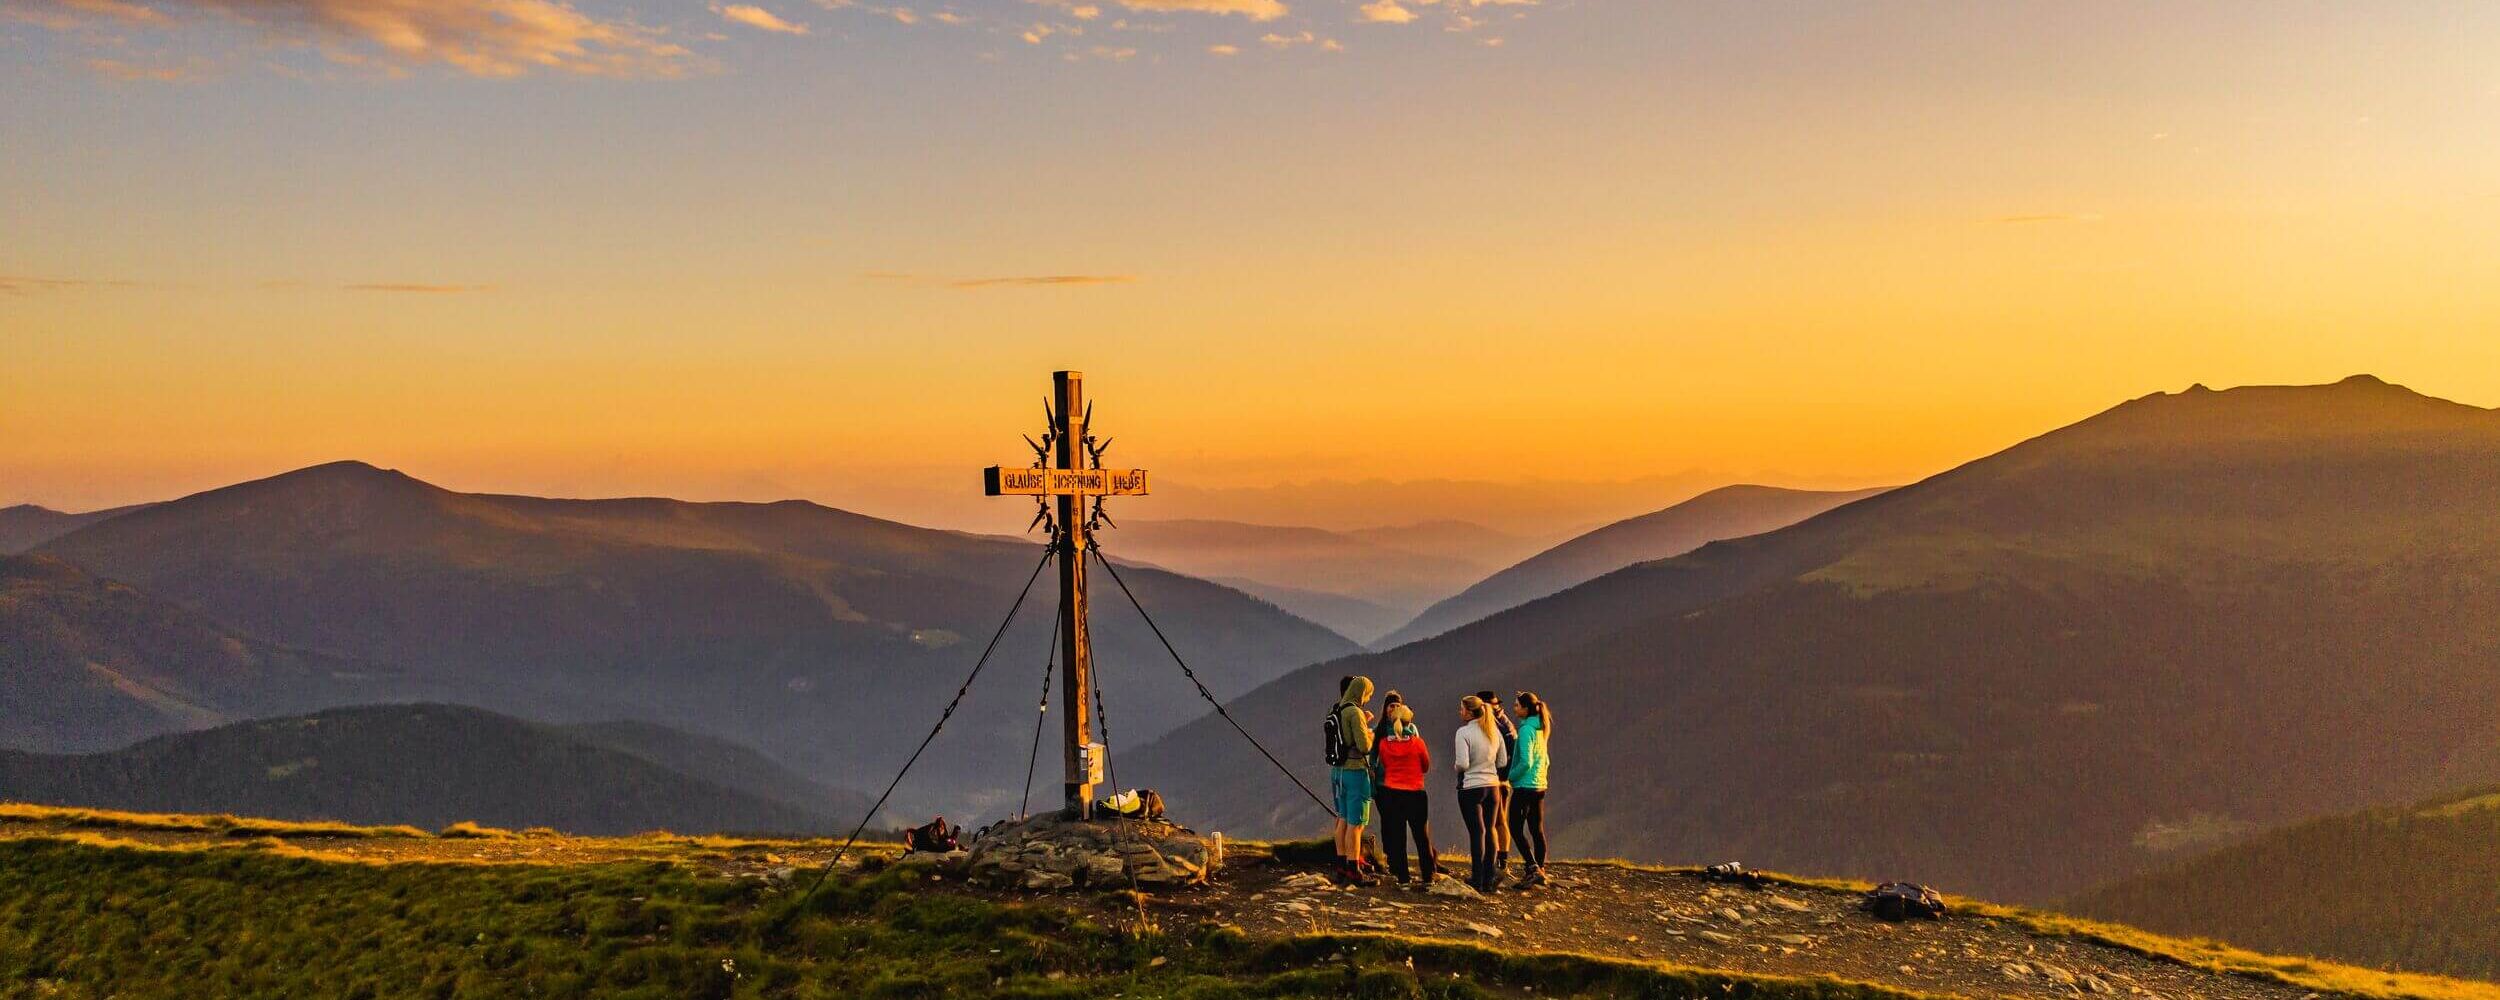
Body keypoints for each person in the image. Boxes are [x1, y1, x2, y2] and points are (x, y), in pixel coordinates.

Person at [1371, 702, 1436, 888]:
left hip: (1392, 793)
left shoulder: (1384, 744)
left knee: (1398, 837)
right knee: (1421, 836)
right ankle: (1428, 876)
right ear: (1410, 722)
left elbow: (1383, 763)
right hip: (1416, 793)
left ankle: (1403, 878)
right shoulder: (1418, 743)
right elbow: (1425, 766)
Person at [1453, 695, 1509, 894]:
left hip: (1471, 787)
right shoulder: (1494, 731)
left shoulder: (1463, 732)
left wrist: (1456, 767)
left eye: (1461, 709)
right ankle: (1489, 876)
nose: (1460, 712)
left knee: (1477, 832)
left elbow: (1463, 764)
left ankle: (1476, 878)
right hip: (1492, 786)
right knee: (1491, 829)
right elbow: (1502, 762)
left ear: (1469, 712)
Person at [1328, 675, 1379, 886]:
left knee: (1342, 818)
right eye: (1367, 694)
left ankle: (1341, 866)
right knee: (1356, 824)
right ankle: (1354, 870)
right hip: (1355, 771)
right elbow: (1364, 745)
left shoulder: (1338, 710)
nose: (1367, 698)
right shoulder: (1355, 712)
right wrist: (1371, 733)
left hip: (1337, 772)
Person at [1505, 691, 1552, 887]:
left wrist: (1510, 777)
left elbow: (1526, 761)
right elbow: (1546, 760)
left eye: (1517, 705)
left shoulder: (1525, 731)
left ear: (1525, 709)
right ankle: (1540, 869)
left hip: (1524, 786)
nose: (1514, 708)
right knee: (1536, 829)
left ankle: (1532, 868)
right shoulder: (1541, 729)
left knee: (1515, 827)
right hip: (1540, 784)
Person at [1476, 689, 1519, 881]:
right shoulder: (1506, 723)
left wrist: (1503, 777)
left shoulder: (1498, 725)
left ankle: (1497, 861)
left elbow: (1507, 756)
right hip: (1500, 779)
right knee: (1498, 820)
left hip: (1495, 779)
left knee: (1496, 821)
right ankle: (1501, 859)